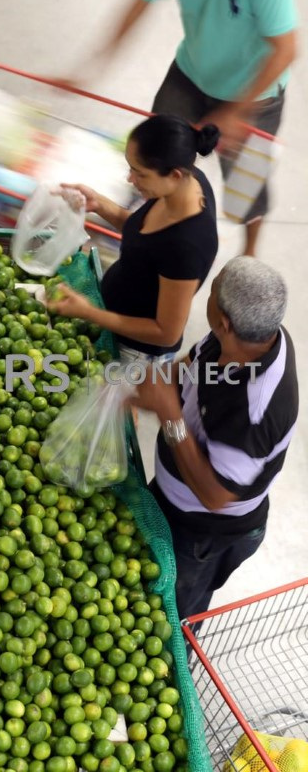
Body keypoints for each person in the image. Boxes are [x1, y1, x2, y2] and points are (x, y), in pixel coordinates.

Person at [58, 0, 299, 257]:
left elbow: (286, 49)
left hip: (254, 94)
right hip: (189, 74)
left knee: (245, 189)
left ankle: (249, 253)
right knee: (153, 156)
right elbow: (139, 1)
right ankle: (143, 226)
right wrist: (93, 65)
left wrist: (236, 111)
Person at [132, 257, 298, 619]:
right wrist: (151, 386)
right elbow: (196, 360)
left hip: (202, 535)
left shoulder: (255, 410)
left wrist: (170, 415)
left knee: (171, 613)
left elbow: (215, 495)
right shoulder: (250, 337)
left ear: (223, 321)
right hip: (174, 497)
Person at [48, 114, 219, 364]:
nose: (130, 179)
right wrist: (102, 205)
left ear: (174, 175)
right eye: (130, 168)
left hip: (133, 351)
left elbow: (166, 333)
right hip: (110, 315)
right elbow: (145, 237)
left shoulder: (187, 247)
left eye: (140, 173)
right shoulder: (185, 184)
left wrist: (90, 313)